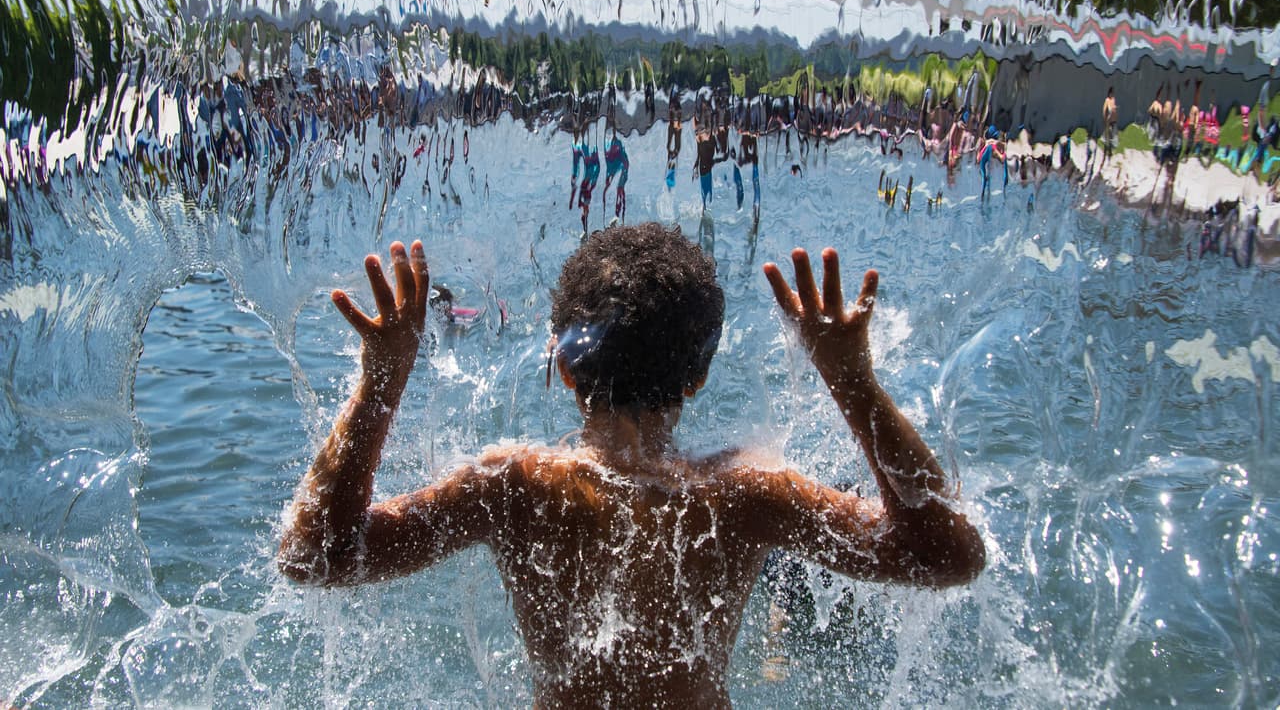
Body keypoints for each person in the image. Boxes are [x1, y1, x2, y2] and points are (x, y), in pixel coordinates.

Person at [278, 228, 985, 707]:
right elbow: (948, 554)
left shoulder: (513, 487)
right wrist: (852, 382)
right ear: (697, 378)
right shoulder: (743, 493)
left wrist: (380, 386)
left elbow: (315, 556)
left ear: (560, 364)